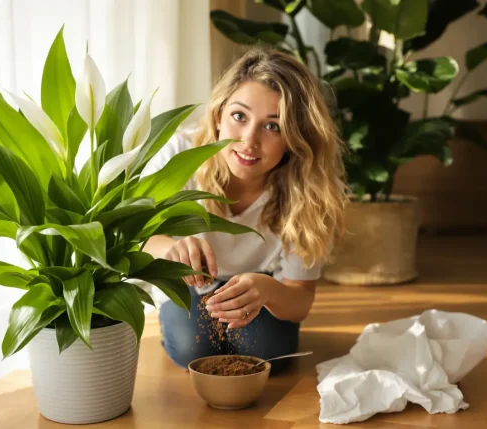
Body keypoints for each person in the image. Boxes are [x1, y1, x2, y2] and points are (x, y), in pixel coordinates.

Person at [141, 47, 347, 373]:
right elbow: (136, 238)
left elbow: (300, 297)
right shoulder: (179, 154)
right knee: (192, 351)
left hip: (265, 286)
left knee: (267, 355)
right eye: (240, 116)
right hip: (189, 282)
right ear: (219, 114)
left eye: (273, 126)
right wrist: (171, 248)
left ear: (294, 137)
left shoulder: (312, 188)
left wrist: (266, 291)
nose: (249, 141)